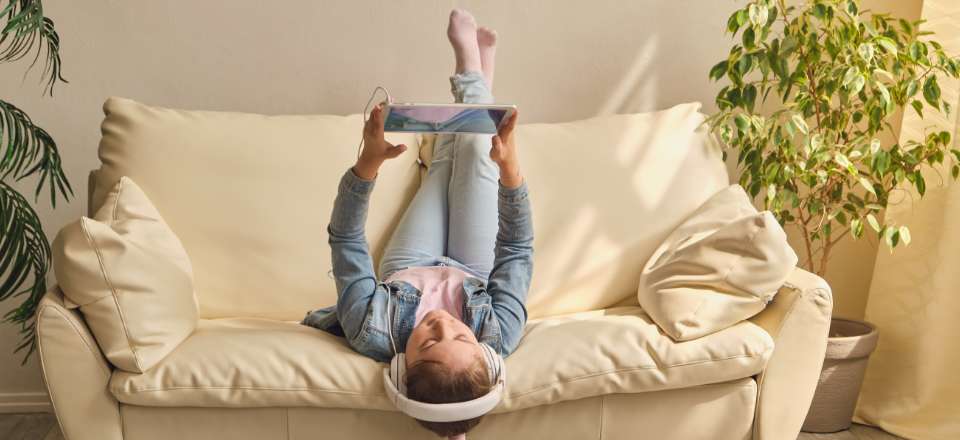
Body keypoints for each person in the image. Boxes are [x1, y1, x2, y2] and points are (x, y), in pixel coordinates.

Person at [301, 9, 533, 439]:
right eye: (462, 339)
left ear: (402, 364)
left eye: (429, 343)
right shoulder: (500, 333)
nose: (443, 323)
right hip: (473, 266)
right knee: (482, 160)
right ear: (486, 354)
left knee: (445, 165)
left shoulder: (370, 328)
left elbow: (346, 239)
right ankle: (471, 72)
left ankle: (478, 83)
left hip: (410, 265)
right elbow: (517, 249)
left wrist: (367, 163)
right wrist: (512, 172)